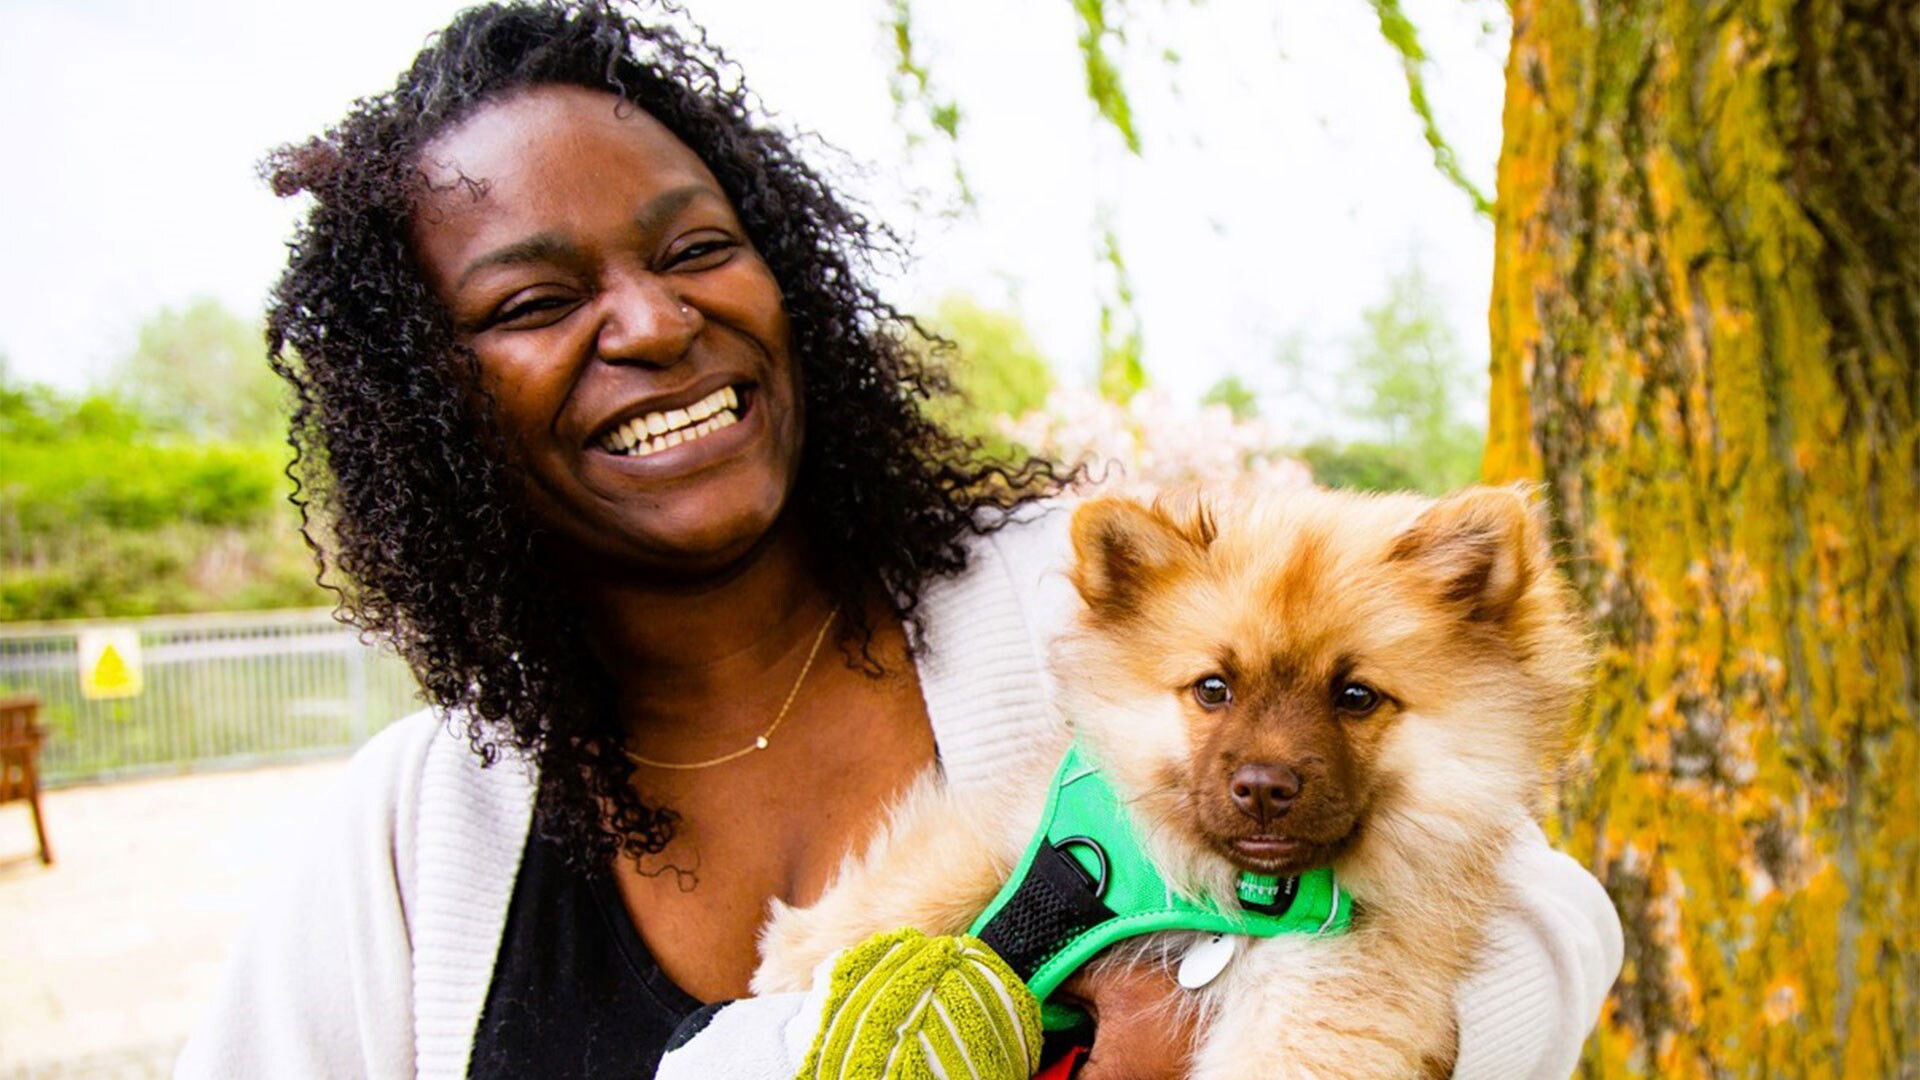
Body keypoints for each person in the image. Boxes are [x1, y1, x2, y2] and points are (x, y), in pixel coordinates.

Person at [176, 2, 1623, 1077]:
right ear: (424, 402)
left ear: (789, 275)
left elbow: (1550, 922)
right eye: (536, 303)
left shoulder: (1082, 596)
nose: (655, 322)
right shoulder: (422, 826)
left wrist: (1298, 1032)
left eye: (696, 249)